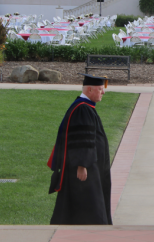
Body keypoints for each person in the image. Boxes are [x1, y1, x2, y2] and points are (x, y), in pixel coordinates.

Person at [48, 74, 112, 225]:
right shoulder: (82, 109)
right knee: (89, 205)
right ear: (90, 89)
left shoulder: (83, 106)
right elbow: (82, 140)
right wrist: (82, 165)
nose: (103, 92)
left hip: (90, 166)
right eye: (100, 89)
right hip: (86, 170)